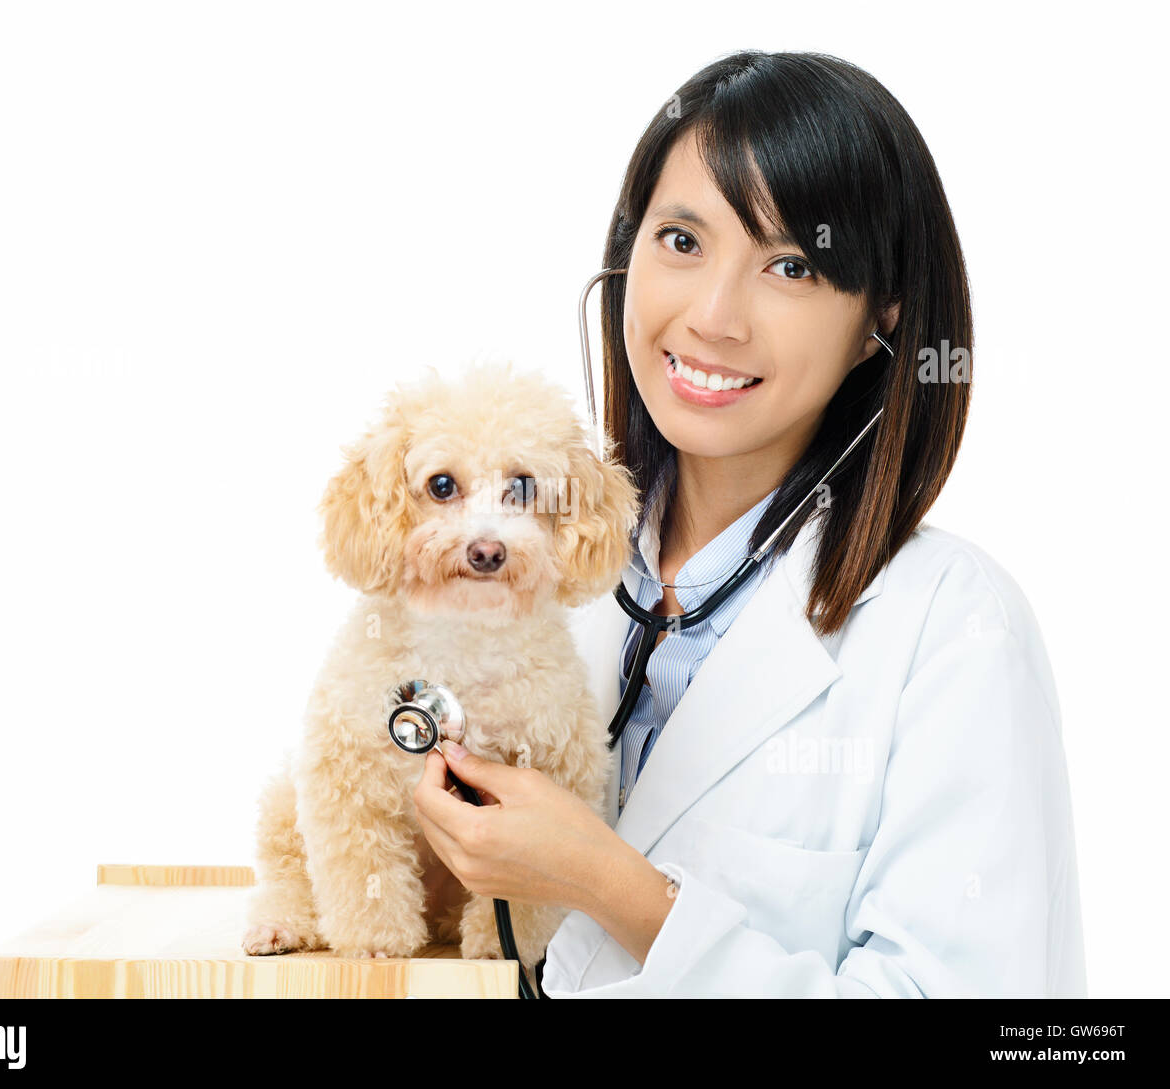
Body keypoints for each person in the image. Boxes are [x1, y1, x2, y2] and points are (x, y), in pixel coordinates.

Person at [412, 49, 1086, 997]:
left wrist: (614, 887)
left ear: (878, 319)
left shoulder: (953, 630)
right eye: (682, 241)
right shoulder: (529, 573)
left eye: (790, 264)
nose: (716, 317)